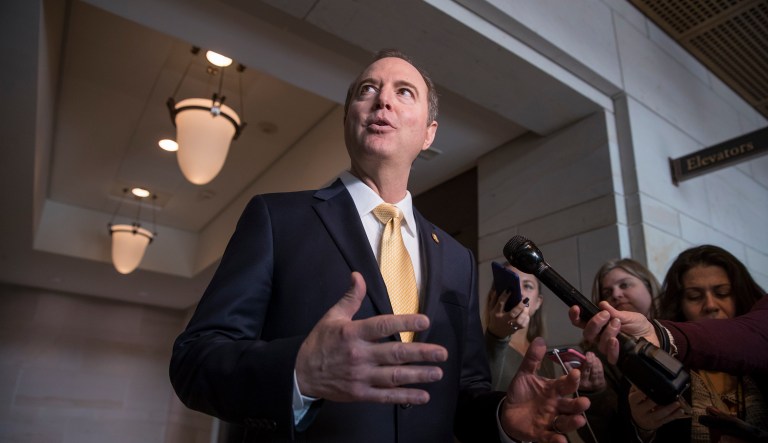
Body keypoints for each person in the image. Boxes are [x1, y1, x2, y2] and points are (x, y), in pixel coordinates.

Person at [170, 49, 588, 443]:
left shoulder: (456, 258)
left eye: (404, 92)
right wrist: (298, 371)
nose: (382, 100)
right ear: (347, 118)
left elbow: (463, 389)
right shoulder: (276, 219)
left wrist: (502, 416)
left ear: (429, 133)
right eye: (367, 89)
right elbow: (195, 361)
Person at [572, 245, 768, 442]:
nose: (710, 305)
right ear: (679, 302)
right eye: (694, 296)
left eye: (723, 292)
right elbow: (614, 435)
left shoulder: (758, 347)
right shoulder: (646, 357)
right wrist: (641, 427)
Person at [575, 259, 663, 443]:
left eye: (624, 285)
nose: (615, 295)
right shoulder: (601, 355)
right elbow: (600, 436)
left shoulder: (679, 331)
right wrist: (594, 394)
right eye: (607, 292)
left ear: (649, 286)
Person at [484, 263, 553, 391]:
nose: (519, 292)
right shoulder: (480, 348)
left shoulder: (545, 356)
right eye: (510, 285)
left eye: (527, 286)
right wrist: (496, 337)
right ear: (493, 296)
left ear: (538, 302)